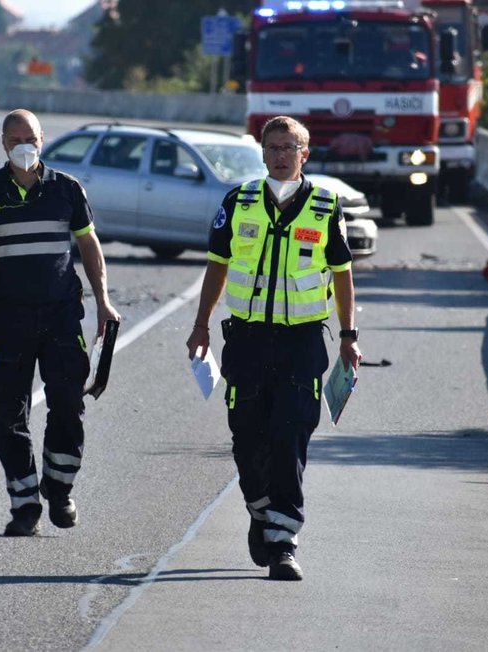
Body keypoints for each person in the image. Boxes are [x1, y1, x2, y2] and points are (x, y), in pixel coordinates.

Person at [186, 116, 362, 581]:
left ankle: (283, 543)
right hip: (245, 340)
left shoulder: (325, 206)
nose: (281, 155)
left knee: (290, 438)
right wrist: (200, 325)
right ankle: (261, 512)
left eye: (291, 147)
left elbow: (342, 273)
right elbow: (217, 266)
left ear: (306, 154)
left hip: (302, 341)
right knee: (247, 439)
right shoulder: (238, 202)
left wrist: (349, 334)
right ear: (262, 153)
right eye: (273, 147)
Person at [0, 109, 121, 537]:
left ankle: (59, 488)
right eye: (14, 139)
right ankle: (24, 502)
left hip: (61, 315)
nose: (23, 146)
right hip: (8, 319)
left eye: (30, 138)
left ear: (42, 140)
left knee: (68, 404)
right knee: (9, 412)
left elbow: (89, 245)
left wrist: (103, 301)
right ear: (3, 144)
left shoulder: (67, 189)